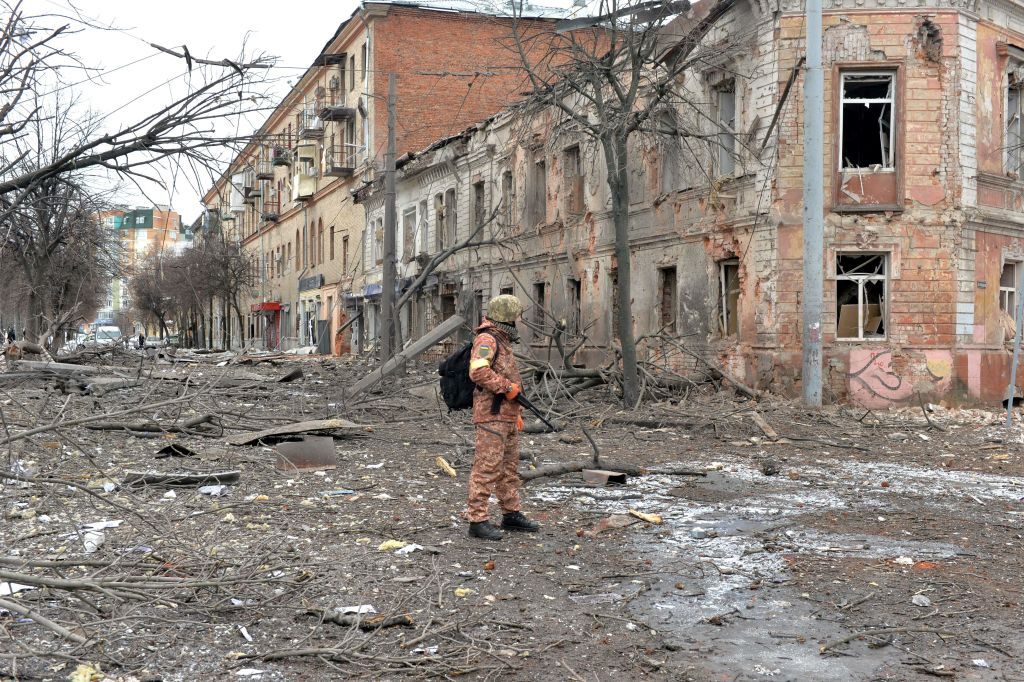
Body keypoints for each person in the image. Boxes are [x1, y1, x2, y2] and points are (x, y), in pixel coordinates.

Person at [465, 294, 540, 541]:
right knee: (487, 468)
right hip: (491, 416)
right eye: (516, 315)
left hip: (505, 415)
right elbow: (478, 372)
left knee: (508, 469)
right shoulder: (487, 339)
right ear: (507, 316)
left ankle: (511, 514)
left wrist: (515, 412)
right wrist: (507, 388)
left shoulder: (502, 339)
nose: (518, 320)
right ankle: (477, 520)